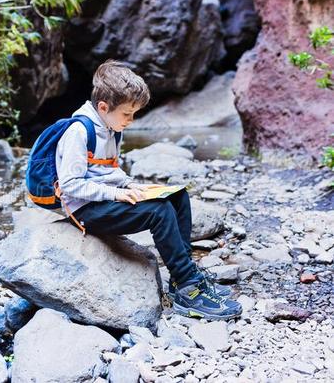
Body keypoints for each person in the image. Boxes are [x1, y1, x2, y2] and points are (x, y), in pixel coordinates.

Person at [55, 59, 242, 320]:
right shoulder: (79, 131)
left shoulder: (111, 127)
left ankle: (183, 278)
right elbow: (70, 185)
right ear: (103, 107)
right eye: (127, 114)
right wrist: (116, 193)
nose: (131, 121)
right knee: (159, 211)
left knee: (177, 196)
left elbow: (107, 170)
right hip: (85, 210)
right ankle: (189, 289)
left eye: (134, 114)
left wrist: (128, 184)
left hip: (105, 198)